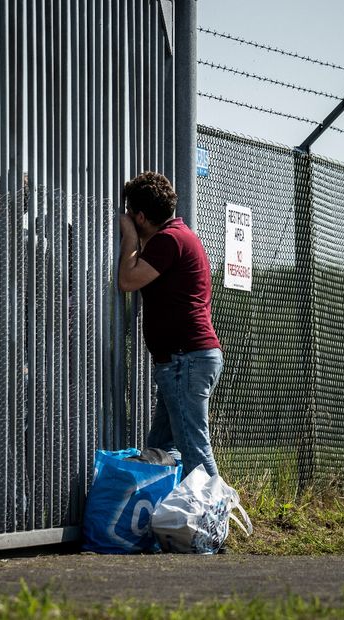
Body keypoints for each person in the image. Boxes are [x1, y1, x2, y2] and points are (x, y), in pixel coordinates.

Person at [118, 171, 224, 478]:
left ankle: (211, 521)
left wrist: (129, 237)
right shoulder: (181, 235)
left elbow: (127, 280)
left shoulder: (169, 240)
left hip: (184, 360)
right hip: (185, 359)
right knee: (163, 448)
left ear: (140, 215)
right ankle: (169, 517)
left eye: (131, 216)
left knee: (193, 448)